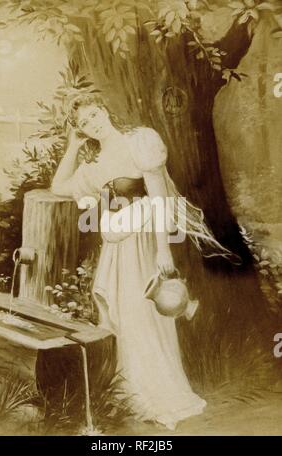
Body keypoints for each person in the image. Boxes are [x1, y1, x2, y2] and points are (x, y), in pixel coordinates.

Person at [51, 95, 236, 429]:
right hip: (118, 249)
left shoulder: (140, 142)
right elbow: (59, 185)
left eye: (95, 114)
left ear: (105, 109)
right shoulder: (94, 164)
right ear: (81, 130)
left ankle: (158, 392)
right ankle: (130, 392)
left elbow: (160, 201)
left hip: (147, 243)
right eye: (84, 124)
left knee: (144, 314)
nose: (93, 123)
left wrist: (163, 252)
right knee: (121, 314)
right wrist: (72, 145)